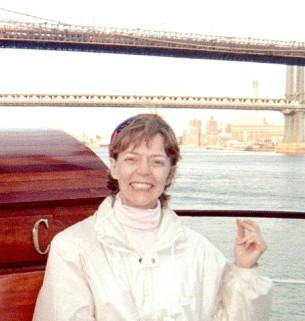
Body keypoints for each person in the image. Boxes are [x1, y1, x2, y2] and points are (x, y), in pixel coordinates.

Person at [32, 114, 273, 321]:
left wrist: (244, 269)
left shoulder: (199, 250)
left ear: (171, 174)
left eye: (157, 162)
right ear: (114, 168)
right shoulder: (73, 247)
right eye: (131, 159)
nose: (144, 171)